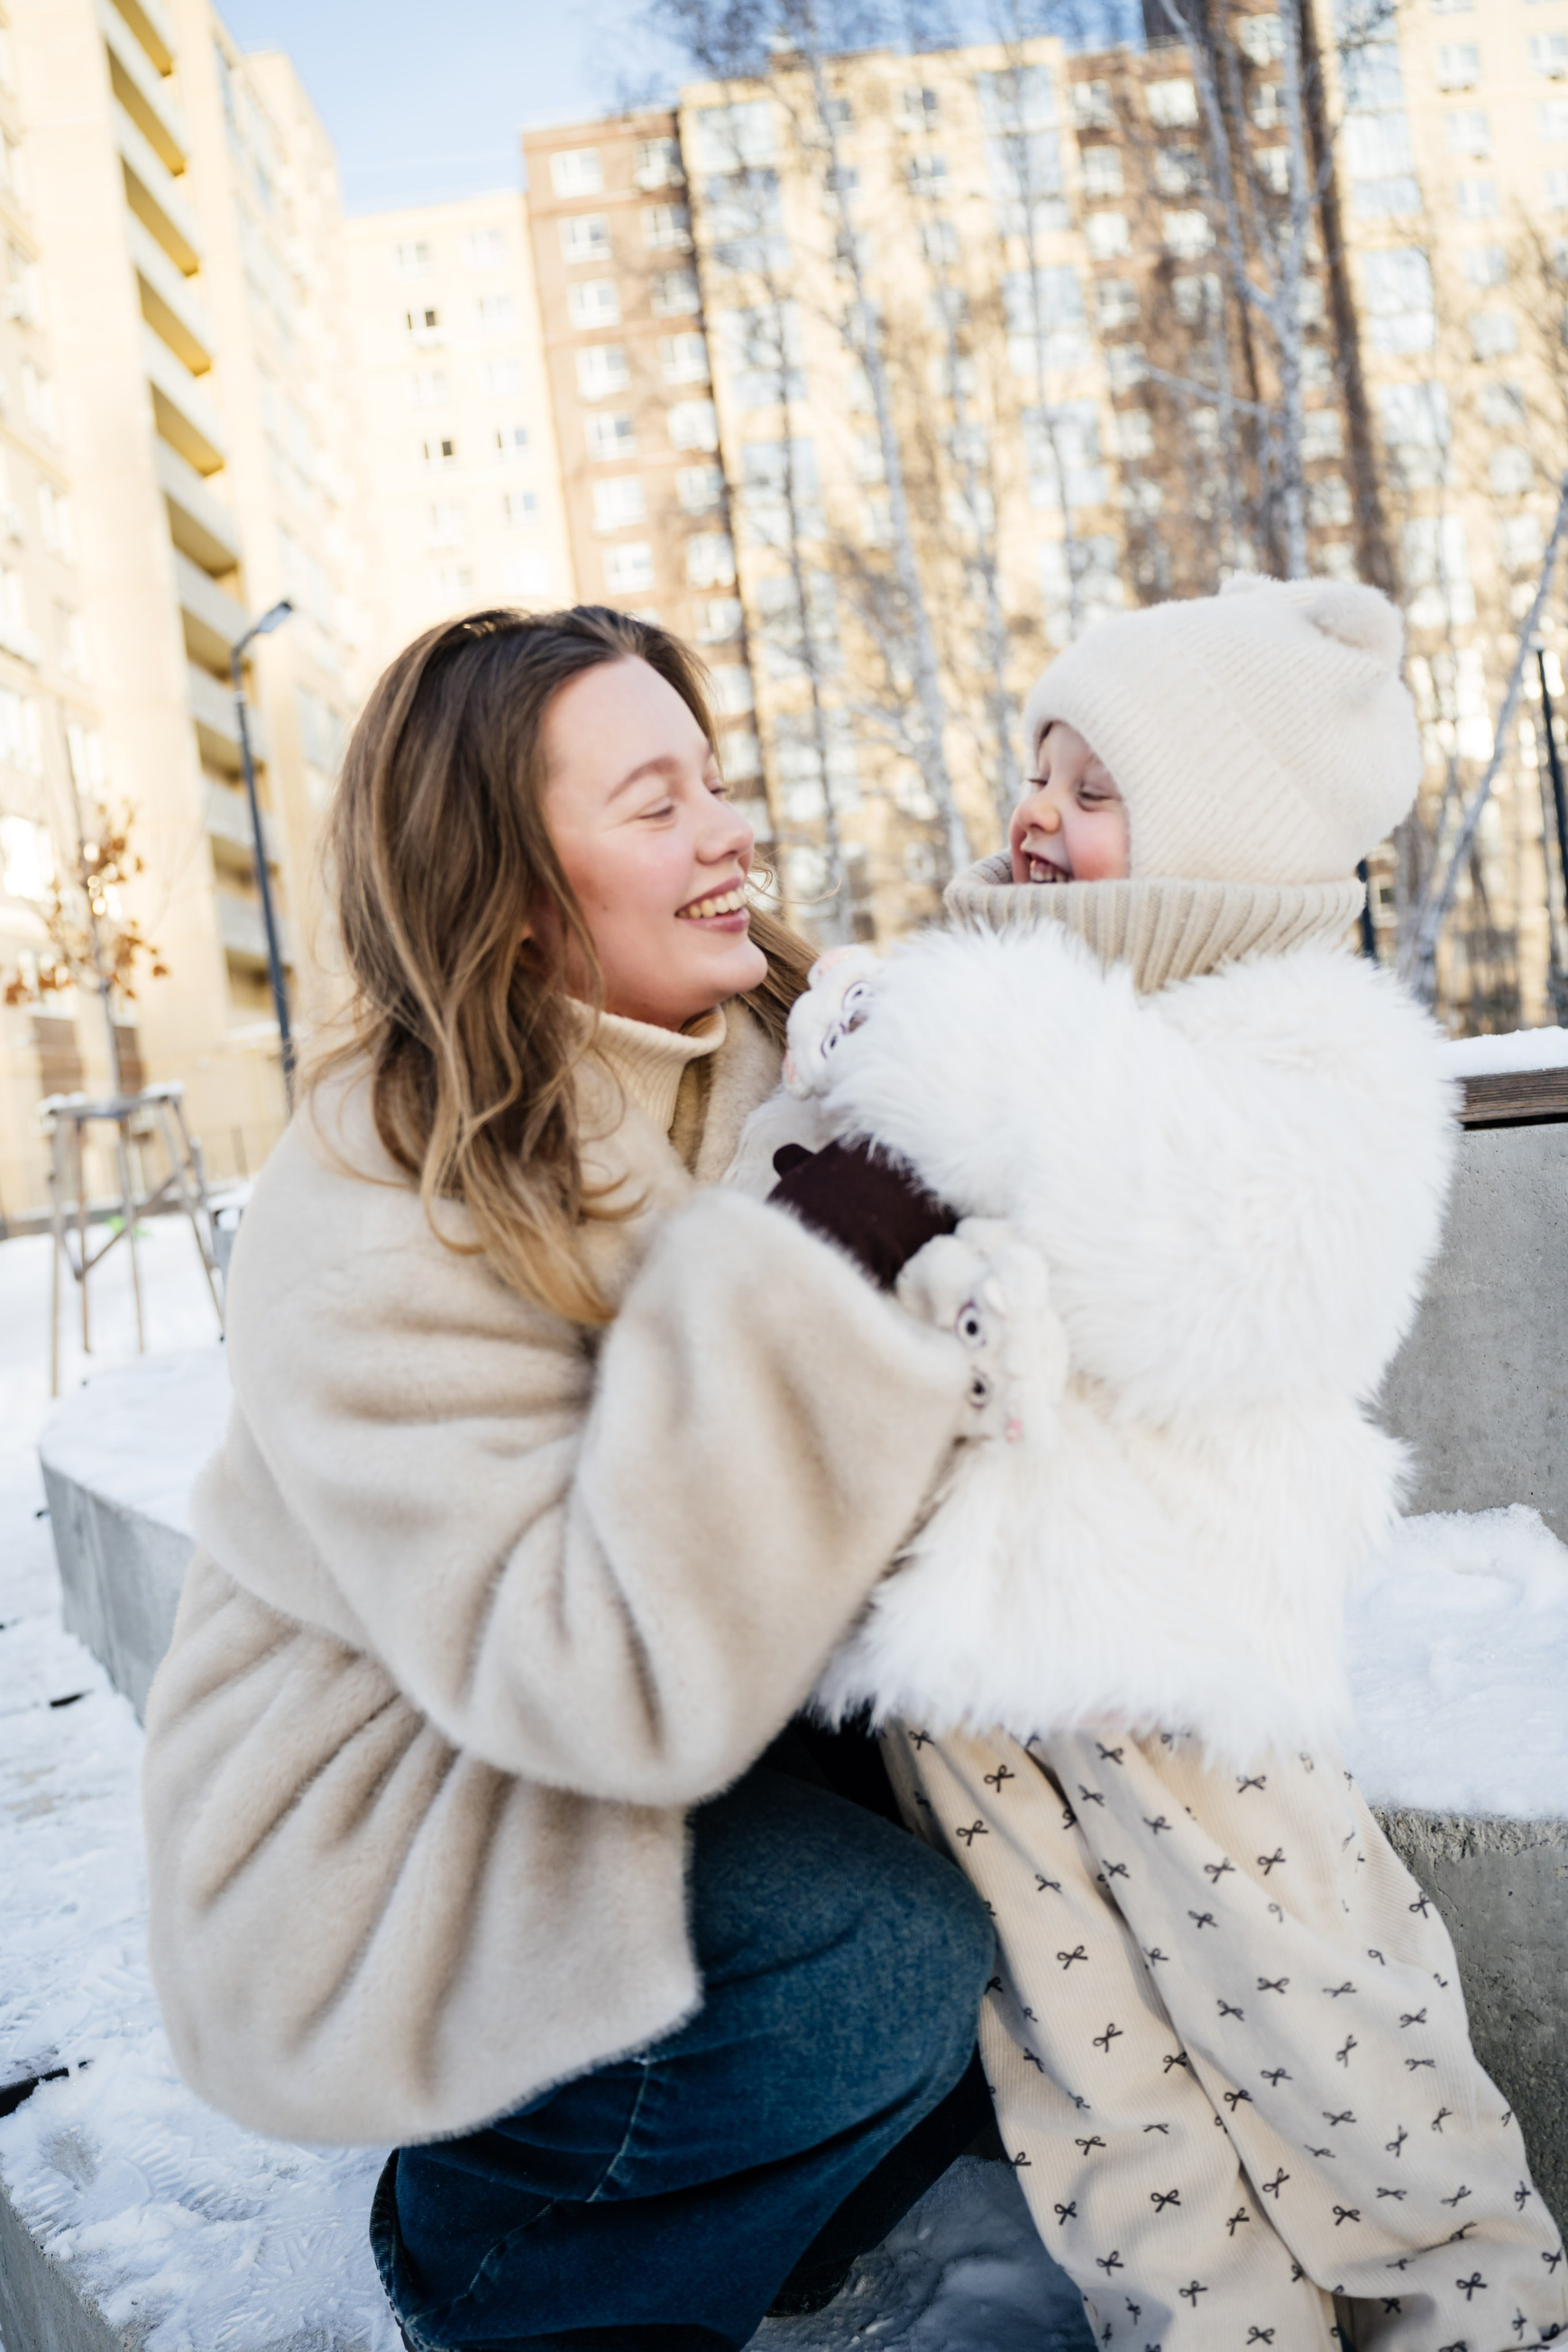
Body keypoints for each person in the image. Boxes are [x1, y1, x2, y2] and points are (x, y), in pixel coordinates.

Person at [137, 606, 1002, 2352]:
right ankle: (496, 2256)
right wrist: (820, 1284)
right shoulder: (381, 1200)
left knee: (997, 1987)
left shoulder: (780, 1061)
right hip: (392, 1814)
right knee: (874, 1969)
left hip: (674, 1732)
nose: (729, 830)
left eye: (717, 779)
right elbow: (583, 1677)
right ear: (517, 885)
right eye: (654, 802)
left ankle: (743, 2166)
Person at [752, 577, 1568, 2349]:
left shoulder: (1312, 1049)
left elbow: (1198, 1268)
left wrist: (938, 1072)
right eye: (1034, 770)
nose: (1035, 811)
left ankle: (1478, 2311)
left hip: (1178, 1682)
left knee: (1327, 2033)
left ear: (1221, 834)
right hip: (973, 1695)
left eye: (1095, 784)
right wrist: (830, 1171)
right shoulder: (976, 1025)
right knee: (1098, 2096)